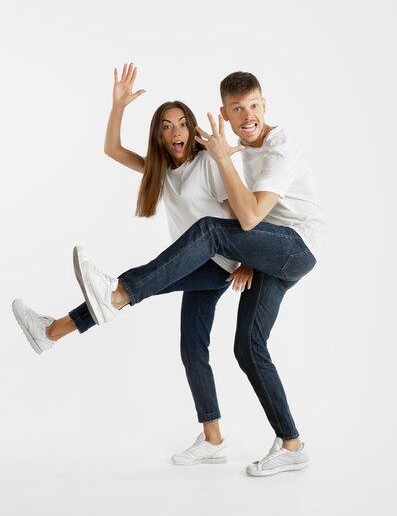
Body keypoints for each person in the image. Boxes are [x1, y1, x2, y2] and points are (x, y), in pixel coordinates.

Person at [69, 71, 325, 477]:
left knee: (207, 230)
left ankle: (116, 295)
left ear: (265, 105)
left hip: (295, 248)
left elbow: (248, 216)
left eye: (254, 106)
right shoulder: (239, 145)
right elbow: (116, 150)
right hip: (267, 251)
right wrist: (118, 105)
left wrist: (222, 158)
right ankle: (289, 443)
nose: (247, 115)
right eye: (238, 109)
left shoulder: (278, 149)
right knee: (247, 348)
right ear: (224, 112)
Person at [12, 63, 254, 465]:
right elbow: (112, 149)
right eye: (165, 126)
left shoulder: (207, 164)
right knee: (193, 349)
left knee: (132, 289)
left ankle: (55, 329)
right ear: (159, 135)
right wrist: (118, 106)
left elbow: (237, 215)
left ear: (192, 129)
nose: (175, 132)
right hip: (201, 268)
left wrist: (247, 262)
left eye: (181, 124)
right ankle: (213, 441)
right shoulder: (161, 171)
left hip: (221, 262)